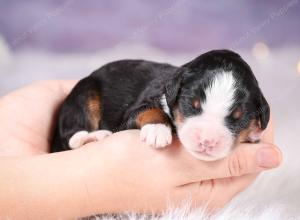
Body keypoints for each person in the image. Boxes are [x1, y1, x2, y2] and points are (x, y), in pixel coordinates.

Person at [0, 80, 281, 219]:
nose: (207, 137)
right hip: (86, 110)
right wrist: (86, 183)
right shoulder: (160, 97)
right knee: (85, 103)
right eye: (193, 110)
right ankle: (79, 136)